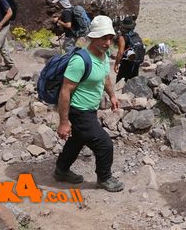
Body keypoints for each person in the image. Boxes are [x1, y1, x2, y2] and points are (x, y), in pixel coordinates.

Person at [54, 15, 124, 192]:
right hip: (79, 111)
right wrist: (63, 122)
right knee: (104, 144)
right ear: (92, 37)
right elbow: (65, 91)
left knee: (77, 140)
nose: (108, 43)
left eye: (110, 38)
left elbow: (105, 76)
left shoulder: (103, 54)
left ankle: (61, 170)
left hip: (90, 110)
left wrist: (112, 96)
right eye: (103, 38)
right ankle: (104, 178)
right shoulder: (80, 60)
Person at [114, 16, 142, 82]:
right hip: (136, 64)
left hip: (126, 63)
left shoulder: (123, 37)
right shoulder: (136, 35)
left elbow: (120, 52)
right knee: (133, 83)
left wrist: (116, 64)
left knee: (120, 83)